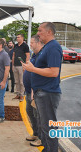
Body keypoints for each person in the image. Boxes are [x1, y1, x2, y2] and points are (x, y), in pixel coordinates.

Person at [22, 22, 62, 152]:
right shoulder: (47, 47)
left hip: (48, 93)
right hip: (42, 93)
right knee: (44, 127)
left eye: (40, 30)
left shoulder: (53, 47)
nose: (38, 33)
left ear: (49, 32)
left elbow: (54, 72)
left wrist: (33, 69)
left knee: (49, 127)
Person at [23, 35, 43, 147]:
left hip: (35, 91)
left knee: (38, 115)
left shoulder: (42, 56)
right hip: (29, 90)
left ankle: (41, 138)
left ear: (38, 42)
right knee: (30, 112)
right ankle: (35, 133)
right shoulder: (34, 55)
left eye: (32, 42)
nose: (30, 44)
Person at [12, 34, 30, 101]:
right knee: (16, 81)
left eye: (18, 37)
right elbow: (13, 55)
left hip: (21, 66)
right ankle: (18, 94)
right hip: (15, 65)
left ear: (22, 38)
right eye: (17, 37)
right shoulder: (16, 46)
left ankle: (22, 95)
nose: (17, 38)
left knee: (21, 81)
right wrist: (12, 65)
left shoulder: (25, 46)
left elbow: (28, 56)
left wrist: (25, 66)